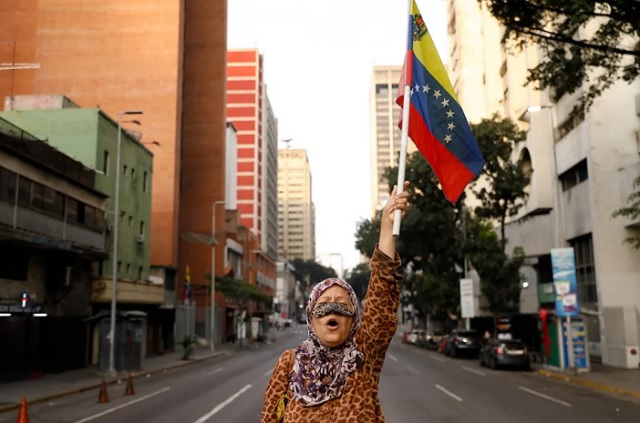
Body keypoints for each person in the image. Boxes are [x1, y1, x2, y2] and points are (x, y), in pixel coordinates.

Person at [261, 182, 410, 423]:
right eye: (324, 302)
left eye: (341, 303)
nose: (333, 306)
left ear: (354, 319)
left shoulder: (364, 356)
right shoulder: (289, 363)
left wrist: (387, 227)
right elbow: (270, 418)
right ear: (311, 318)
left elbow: (381, 297)